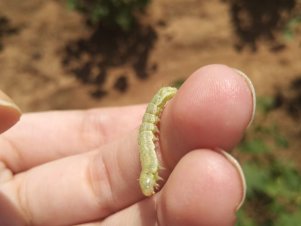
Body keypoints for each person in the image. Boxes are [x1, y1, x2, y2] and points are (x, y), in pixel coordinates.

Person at [0, 64, 255, 226]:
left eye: (150, 179)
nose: (151, 183)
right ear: (151, 173)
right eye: (151, 179)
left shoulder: (153, 134)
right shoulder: (149, 160)